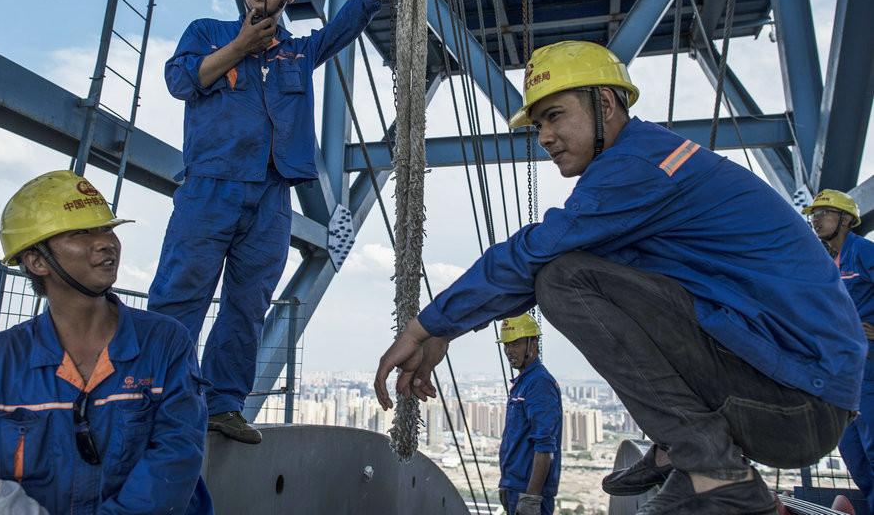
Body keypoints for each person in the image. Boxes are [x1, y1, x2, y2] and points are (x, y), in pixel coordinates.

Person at [374, 41, 865, 515]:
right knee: (573, 271)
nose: (543, 136)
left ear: (604, 103)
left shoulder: (636, 166)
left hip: (798, 403)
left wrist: (425, 327)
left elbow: (534, 254)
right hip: (794, 390)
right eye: (538, 123)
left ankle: (716, 472)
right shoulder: (648, 162)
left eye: (555, 115)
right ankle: (686, 452)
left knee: (562, 281)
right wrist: (446, 329)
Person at [150, 0, 421, 444]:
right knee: (180, 295)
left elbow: (352, 19)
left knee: (248, 304)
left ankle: (223, 405)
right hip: (210, 188)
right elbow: (180, 81)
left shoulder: (298, 52)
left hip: (272, 196)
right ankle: (157, 398)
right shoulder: (206, 32)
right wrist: (238, 47)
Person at [0, 170, 211, 514]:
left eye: (107, 228)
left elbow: (176, 454)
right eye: (81, 232)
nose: (106, 242)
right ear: (37, 261)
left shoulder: (164, 342)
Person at [804, 189, 874, 513]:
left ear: (846, 219)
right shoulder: (824, 265)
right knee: (854, 457)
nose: (816, 219)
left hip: (869, 376)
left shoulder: (863, 253)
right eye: (813, 214)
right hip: (841, 378)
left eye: (824, 213)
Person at [496, 314, 562, 515]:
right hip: (514, 487)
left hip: (529, 493)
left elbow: (545, 446)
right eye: (506, 345)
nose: (509, 351)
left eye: (515, 344)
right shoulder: (522, 383)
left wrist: (531, 499)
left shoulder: (539, 383)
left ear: (533, 343)